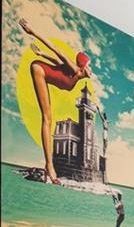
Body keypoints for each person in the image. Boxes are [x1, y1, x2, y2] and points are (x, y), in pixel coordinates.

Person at [20, 17, 92, 184]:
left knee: (48, 118)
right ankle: (49, 166)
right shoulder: (74, 70)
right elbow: (57, 50)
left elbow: (56, 62)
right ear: (82, 67)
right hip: (39, 70)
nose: (91, 69)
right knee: (47, 118)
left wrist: (40, 54)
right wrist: (32, 32)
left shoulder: (74, 75)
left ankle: (50, 166)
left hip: (41, 67)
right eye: (89, 65)